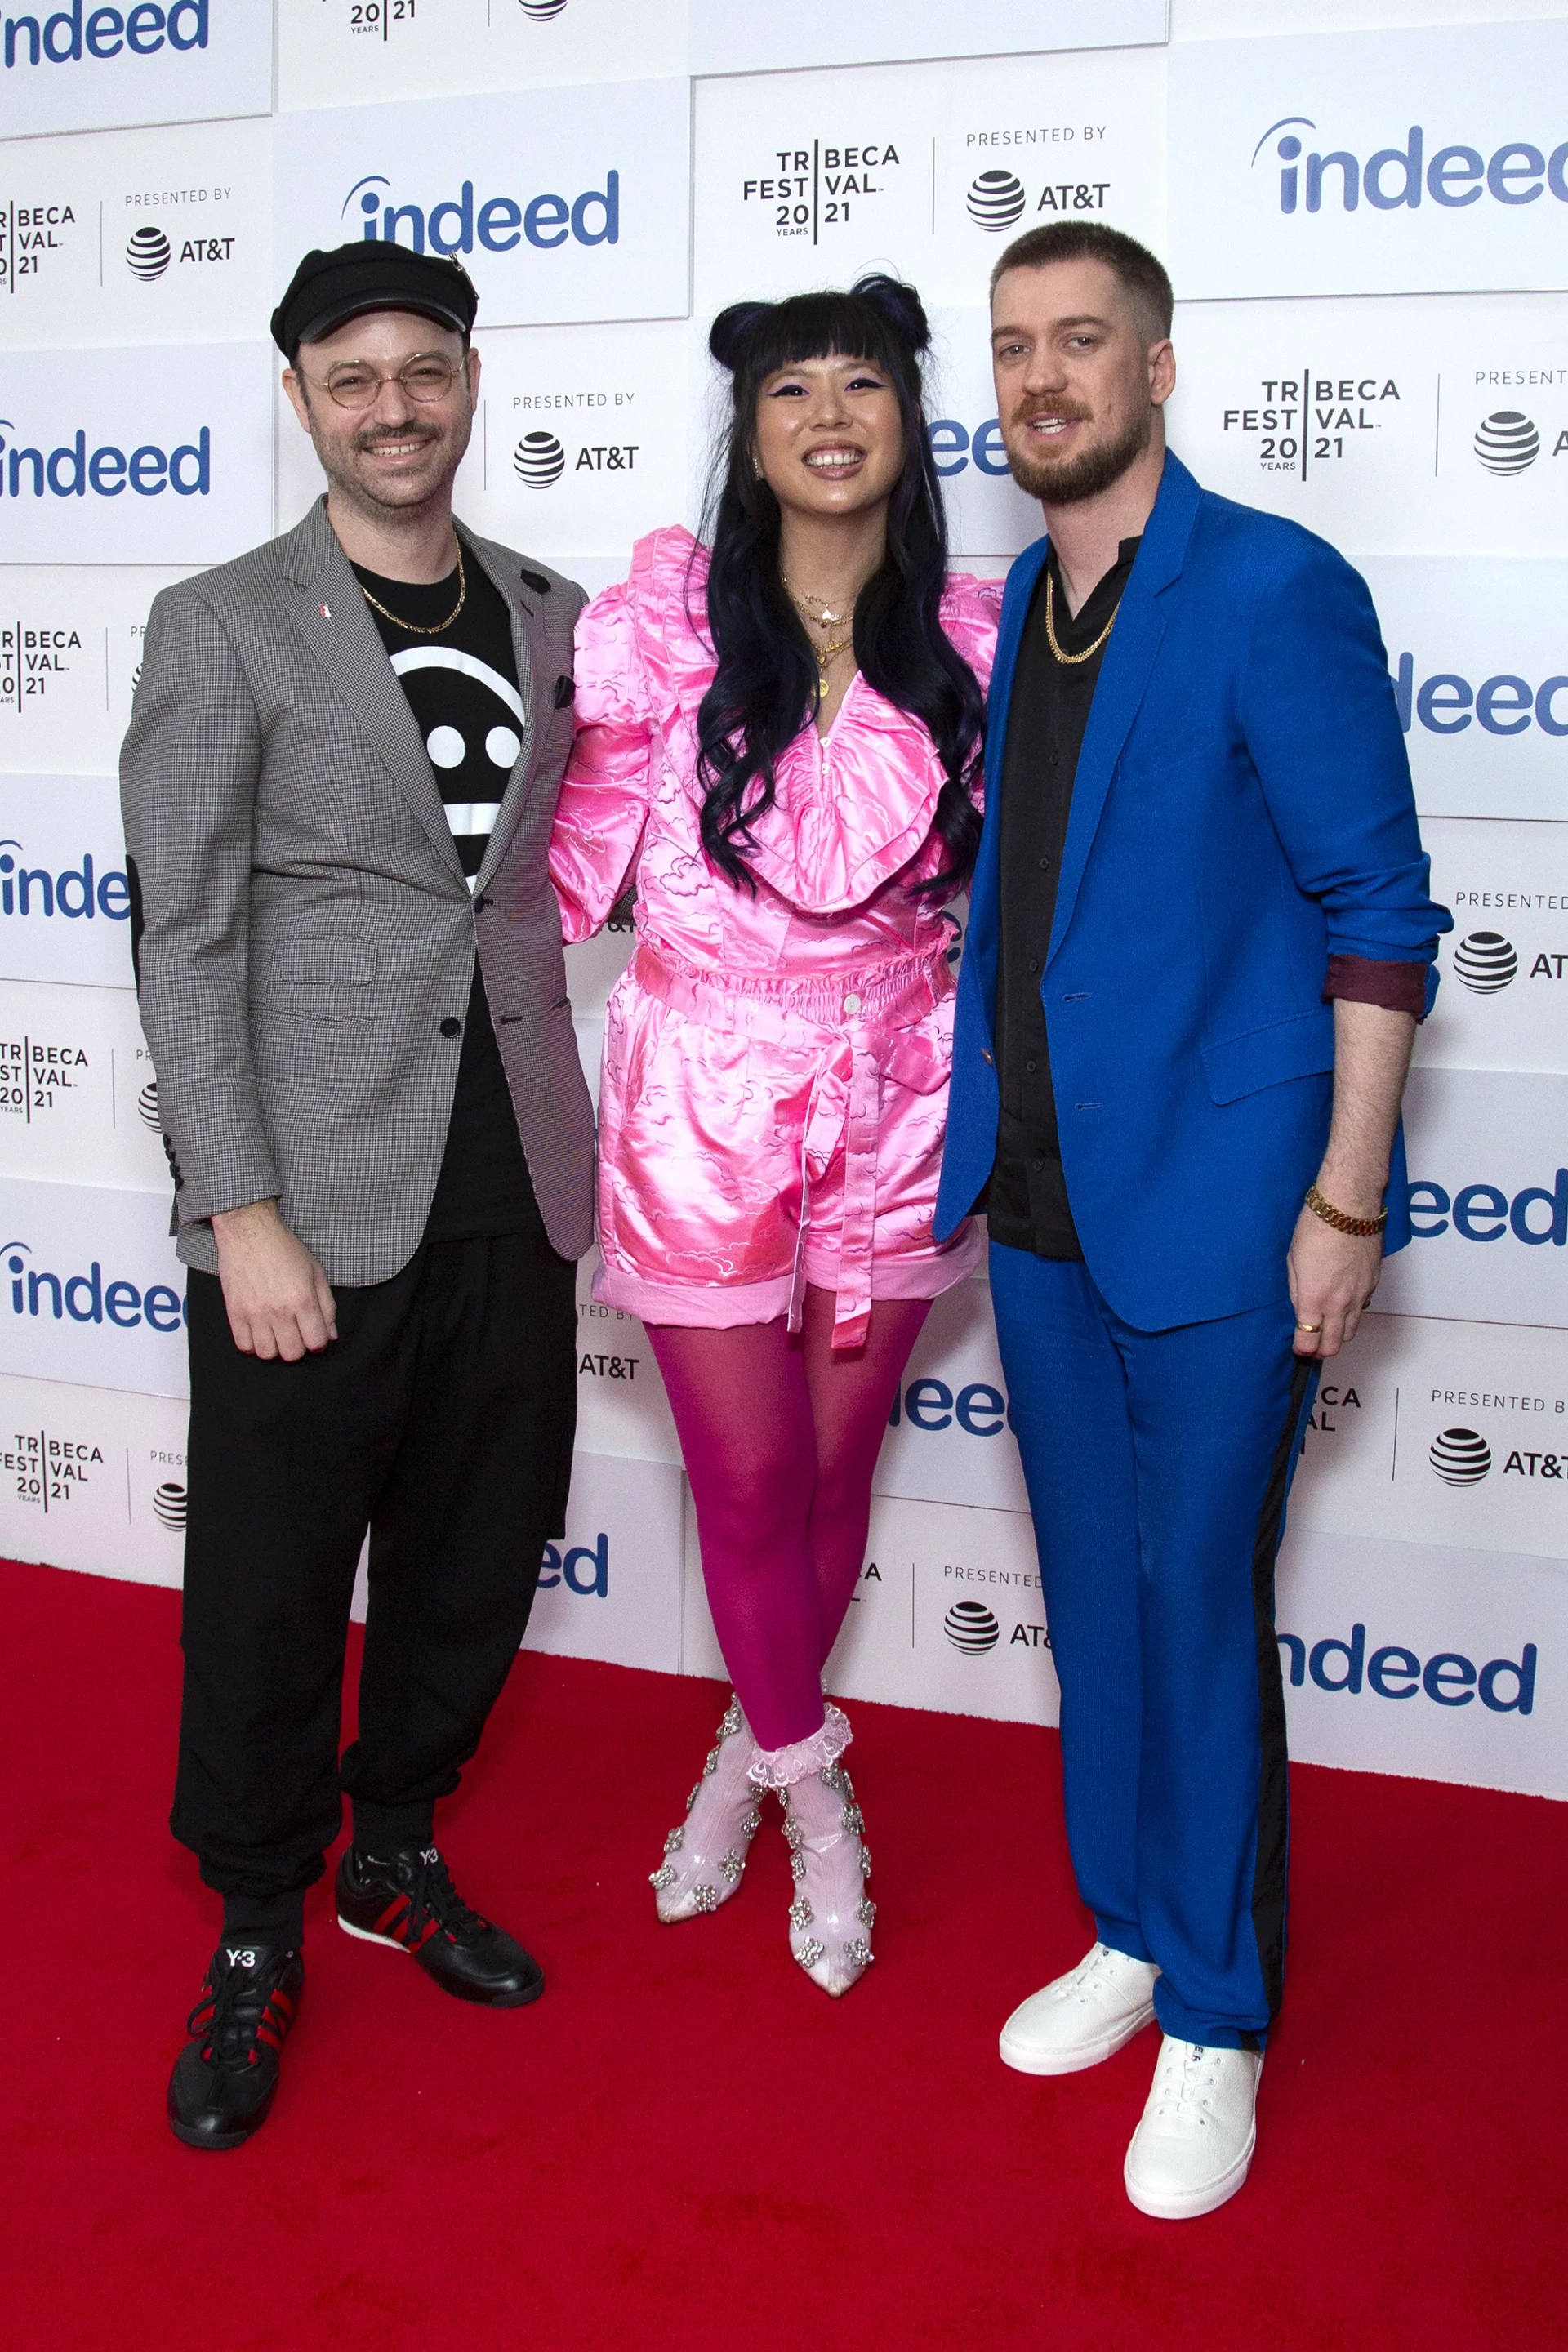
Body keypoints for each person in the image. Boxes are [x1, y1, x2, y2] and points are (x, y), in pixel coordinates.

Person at [935, 222, 1450, 2216]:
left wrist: (1343, 1196)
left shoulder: (1268, 587)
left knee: (1195, 1609)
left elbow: (1381, 919)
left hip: (1232, 1217)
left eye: (1081, 342)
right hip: (1046, 1211)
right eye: (1013, 350)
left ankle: (1221, 2014)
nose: (1041, 377)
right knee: (1096, 1603)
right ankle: (1137, 1927)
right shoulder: (1019, 612)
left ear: (1158, 366)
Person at [121, 240, 595, 2150]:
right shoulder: (224, 617)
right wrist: (237, 1208)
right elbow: (187, 927)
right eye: (353, 376)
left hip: (517, 1175)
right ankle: (254, 1923)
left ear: (471, 379)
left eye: (426, 369)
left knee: (478, 1551)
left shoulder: (556, 609)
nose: (395, 405)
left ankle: (391, 1851)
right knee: (266, 1581)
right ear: (302, 395)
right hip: (308, 1195)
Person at [550, 277, 1001, 1995]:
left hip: (901, 1099)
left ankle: (755, 1746)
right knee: (743, 1476)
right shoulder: (659, 631)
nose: (830, 413)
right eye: (794, 387)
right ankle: (815, 1794)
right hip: (700, 1110)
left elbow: (1035, 879)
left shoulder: (971, 641)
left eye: (864, 384)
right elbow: (559, 871)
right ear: (748, 432)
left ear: (906, 421)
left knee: (832, 1472)